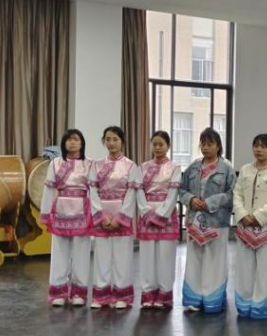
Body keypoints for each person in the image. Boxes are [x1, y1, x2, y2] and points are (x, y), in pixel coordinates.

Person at [179, 128, 236, 313]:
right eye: (203, 144)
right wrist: (191, 200)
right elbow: (181, 189)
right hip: (195, 220)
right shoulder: (194, 167)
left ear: (218, 146)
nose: (205, 147)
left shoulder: (226, 168)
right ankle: (194, 298)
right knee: (194, 259)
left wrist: (211, 202)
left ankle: (213, 299)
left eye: (210, 144)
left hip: (217, 222)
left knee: (215, 260)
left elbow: (233, 194)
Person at [232, 134, 267, 319]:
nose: (258, 149)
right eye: (256, 146)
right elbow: (237, 194)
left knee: (266, 268)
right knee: (244, 267)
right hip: (245, 225)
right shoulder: (245, 169)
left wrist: (257, 217)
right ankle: (244, 304)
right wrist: (242, 215)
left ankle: (262, 307)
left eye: (263, 146)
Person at [88, 126, 140, 310]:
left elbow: (131, 194)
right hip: (102, 214)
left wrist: (121, 217)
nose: (111, 143)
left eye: (115, 139)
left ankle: (121, 296)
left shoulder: (130, 166)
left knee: (122, 257)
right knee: (101, 256)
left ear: (122, 141)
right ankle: (101, 296)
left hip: (121, 214)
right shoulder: (96, 165)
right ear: (104, 141)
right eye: (108, 139)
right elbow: (92, 191)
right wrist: (100, 215)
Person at [40, 129, 93, 307]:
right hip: (61, 210)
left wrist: (95, 214)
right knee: (59, 252)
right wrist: (45, 213)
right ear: (64, 143)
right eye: (69, 139)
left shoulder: (89, 164)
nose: (72, 142)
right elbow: (49, 189)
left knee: (81, 253)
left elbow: (94, 191)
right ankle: (58, 292)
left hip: (82, 211)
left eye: (76, 139)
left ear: (82, 143)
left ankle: (79, 292)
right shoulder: (55, 163)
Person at [136, 131, 182, 310]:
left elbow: (173, 194)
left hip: (166, 217)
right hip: (147, 216)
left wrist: (161, 214)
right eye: (154, 144)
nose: (157, 147)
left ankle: (164, 295)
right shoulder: (143, 167)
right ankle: (148, 294)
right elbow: (139, 191)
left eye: (161, 144)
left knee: (165, 258)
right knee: (147, 257)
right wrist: (146, 212)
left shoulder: (174, 168)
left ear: (168, 146)